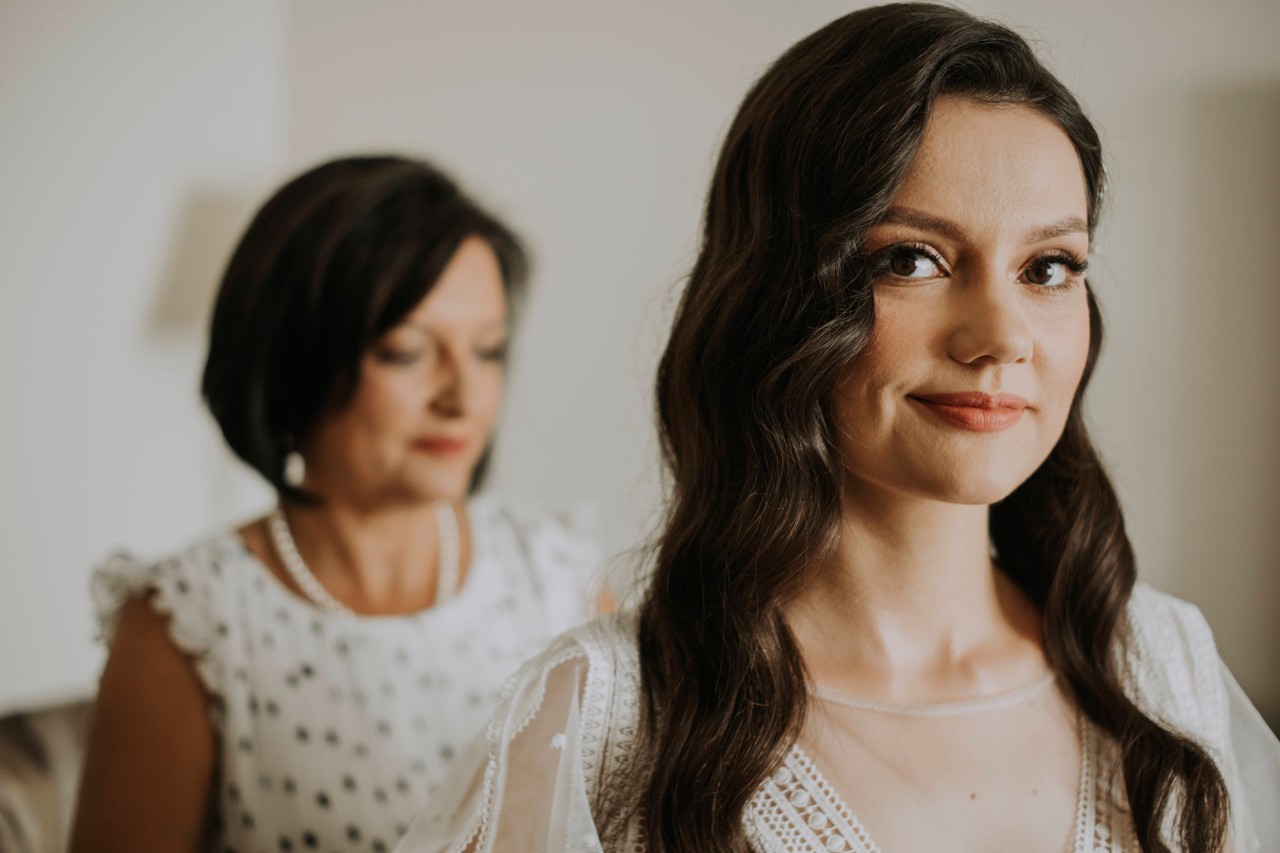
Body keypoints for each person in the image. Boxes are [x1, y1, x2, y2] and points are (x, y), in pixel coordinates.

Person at [394, 6, 1280, 852]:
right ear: (778, 296)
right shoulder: (602, 718)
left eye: (1050, 266)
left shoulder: (1163, 667)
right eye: (912, 259)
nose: (1003, 336)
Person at [69, 156, 603, 853]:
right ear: (295, 361)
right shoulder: (192, 625)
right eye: (407, 352)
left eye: (488, 351)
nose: (463, 398)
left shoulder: (559, 577)